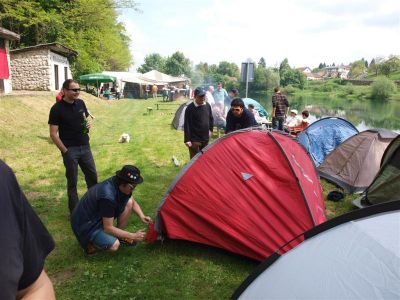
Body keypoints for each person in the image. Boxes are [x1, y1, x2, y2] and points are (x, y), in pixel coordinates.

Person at [0, 160, 55, 299]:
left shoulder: (2, 178)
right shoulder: (107, 195)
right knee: (113, 244)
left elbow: (35, 287)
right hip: (87, 228)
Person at [71, 165, 152, 255]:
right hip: (86, 225)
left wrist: (142, 216)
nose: (133, 190)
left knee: (129, 202)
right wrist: (132, 235)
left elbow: (131, 200)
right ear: (124, 183)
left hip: (95, 217)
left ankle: (120, 236)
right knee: (114, 245)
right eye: (132, 187)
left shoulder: (119, 184)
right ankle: (89, 244)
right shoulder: (107, 197)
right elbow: (108, 228)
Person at [48, 79, 98, 214]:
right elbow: (53, 134)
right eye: (74, 90)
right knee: (72, 182)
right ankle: (75, 212)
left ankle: (93, 207)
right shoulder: (56, 109)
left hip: (85, 147)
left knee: (93, 178)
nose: (77, 92)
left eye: (78, 89)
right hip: (70, 150)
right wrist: (65, 151)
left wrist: (88, 125)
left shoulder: (81, 103)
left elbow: (84, 119)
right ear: (64, 91)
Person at [184, 87, 214, 159]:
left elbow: (211, 119)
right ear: (195, 97)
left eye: (203, 96)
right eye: (200, 96)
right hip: (194, 139)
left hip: (205, 137)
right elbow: (187, 124)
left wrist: (210, 130)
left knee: (204, 157)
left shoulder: (207, 105)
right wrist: (187, 139)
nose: (202, 98)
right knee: (194, 158)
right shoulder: (190, 108)